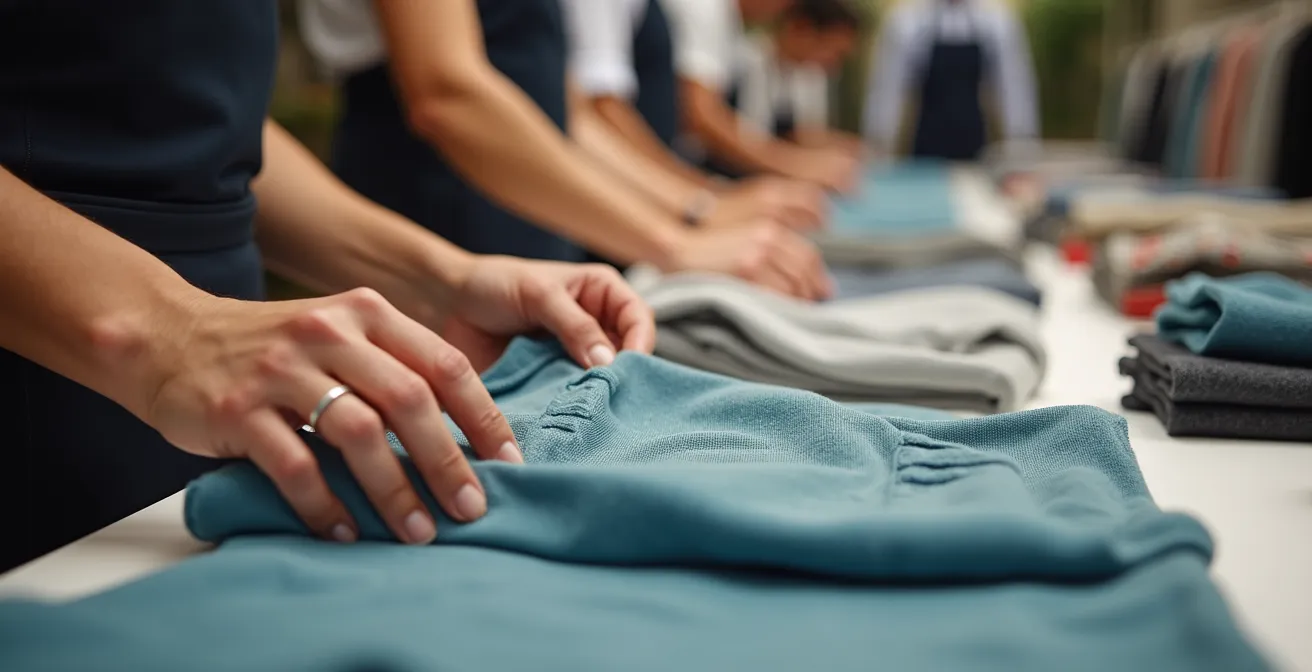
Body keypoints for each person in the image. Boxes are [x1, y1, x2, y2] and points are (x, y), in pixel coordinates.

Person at [0, 0, 655, 572]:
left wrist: (442, 280)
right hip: (49, 360)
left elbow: (179, 110)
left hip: (223, 369)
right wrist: (170, 332)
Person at [299, 0, 831, 300]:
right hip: (435, 195)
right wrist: (677, 242)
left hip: (533, 207)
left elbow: (568, 117)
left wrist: (698, 210)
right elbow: (448, 95)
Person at [562, 0, 831, 233]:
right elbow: (599, 113)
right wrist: (704, 201)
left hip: (636, 199)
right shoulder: (704, 9)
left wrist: (701, 201)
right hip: (612, 206)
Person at [661, 0, 860, 189]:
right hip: (687, 168)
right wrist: (796, 166)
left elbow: (795, 133)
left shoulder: (729, 24)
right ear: (802, 29)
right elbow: (700, 116)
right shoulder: (710, 14)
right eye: (833, 52)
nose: (787, 6)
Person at [863, 0, 1039, 162]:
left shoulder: (997, 20)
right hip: (925, 152)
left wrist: (1021, 149)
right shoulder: (907, 20)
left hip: (975, 149)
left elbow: (1015, 90)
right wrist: (878, 150)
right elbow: (886, 92)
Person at [736, 0, 865, 149]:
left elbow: (807, 134)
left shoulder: (811, 77)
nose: (833, 66)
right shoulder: (744, 64)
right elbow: (750, 139)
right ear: (802, 28)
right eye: (833, 52)